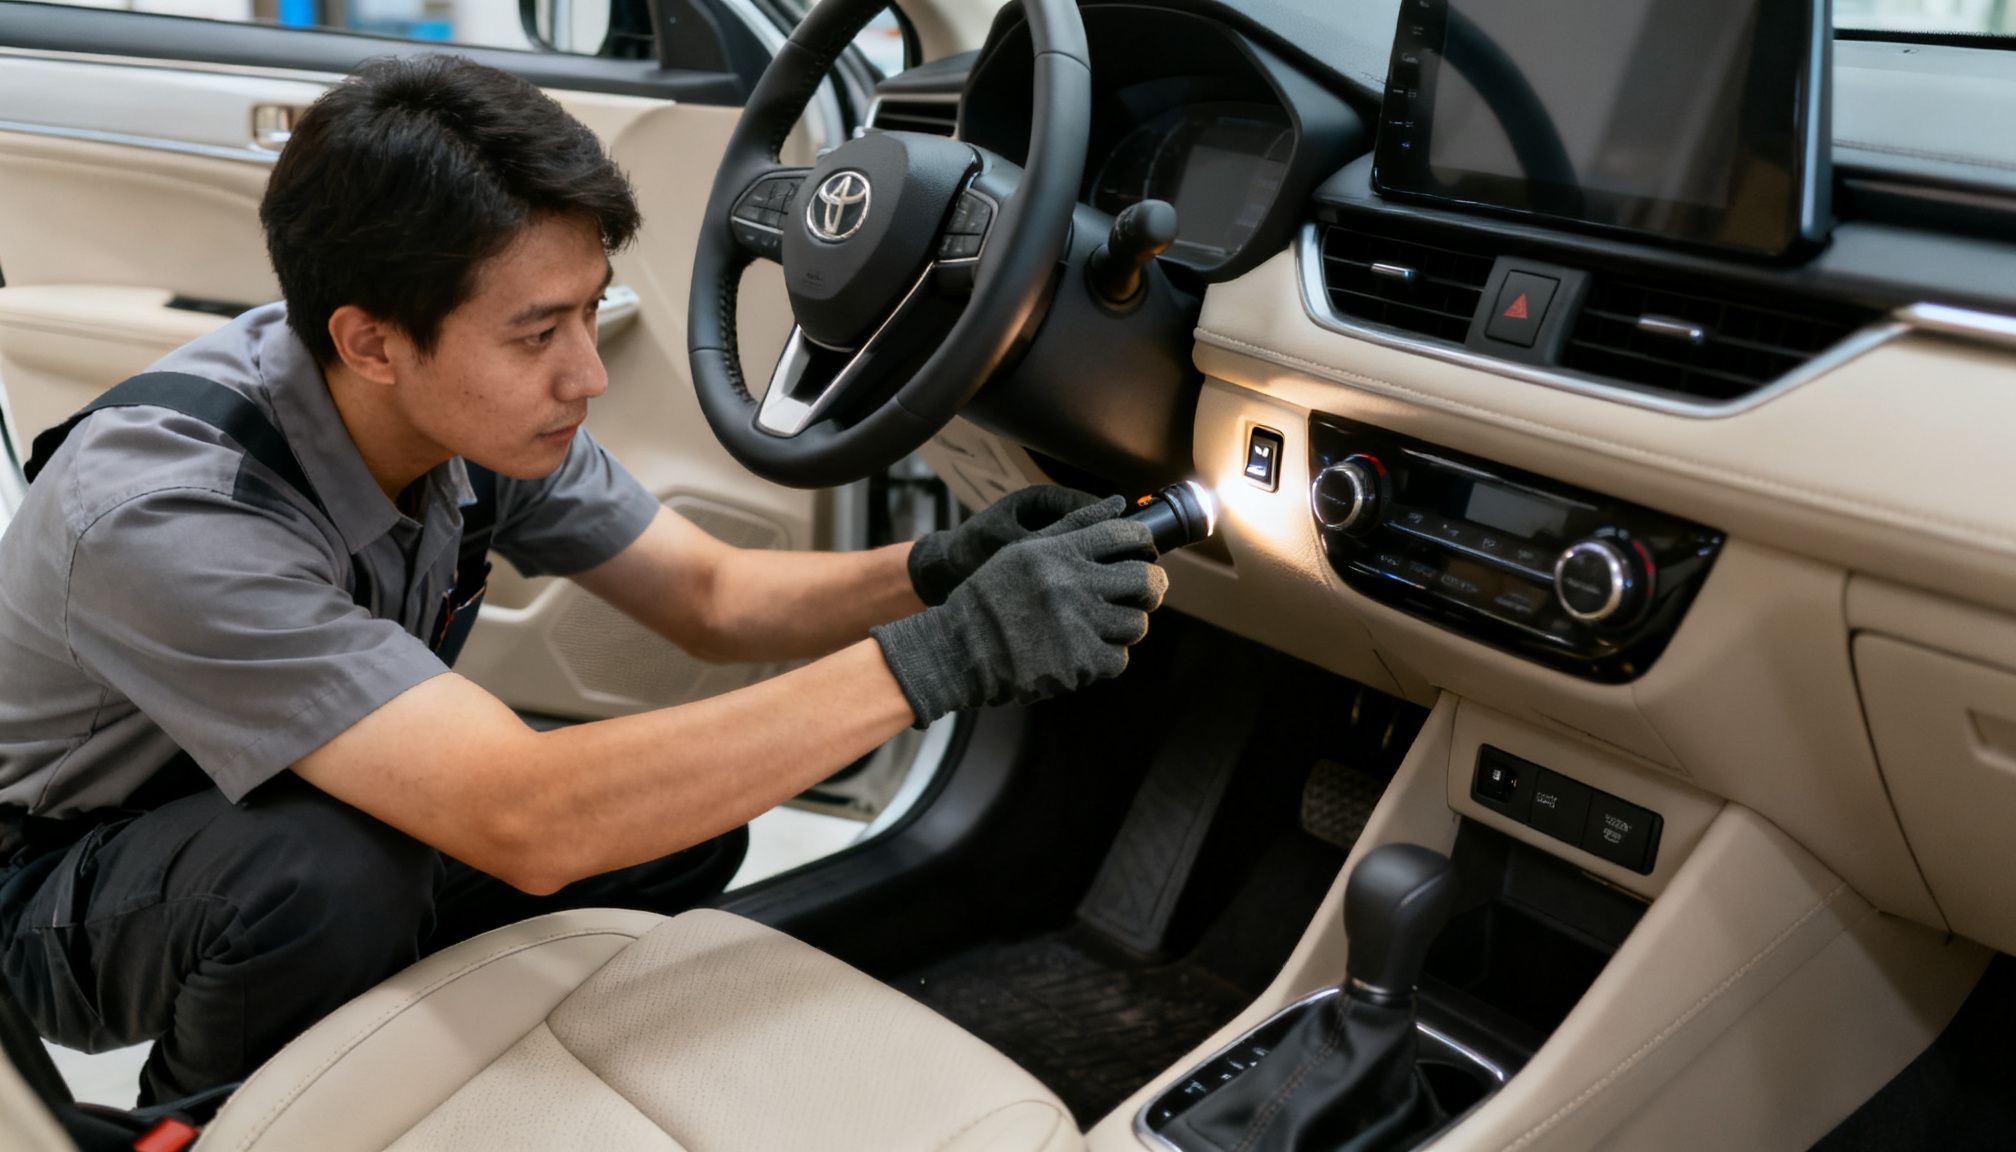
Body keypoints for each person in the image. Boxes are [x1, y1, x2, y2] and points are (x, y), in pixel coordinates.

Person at [0, 53, 1166, 1105]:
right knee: (329, 877)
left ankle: (432, 1061)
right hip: (57, 873)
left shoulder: (453, 411)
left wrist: (936, 568)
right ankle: (206, 1130)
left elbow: (709, 599)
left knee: (673, 823)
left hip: (255, 802)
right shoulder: (172, 513)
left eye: (589, 314)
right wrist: (951, 654)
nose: (584, 375)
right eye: (537, 333)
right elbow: (529, 818)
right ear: (371, 343)